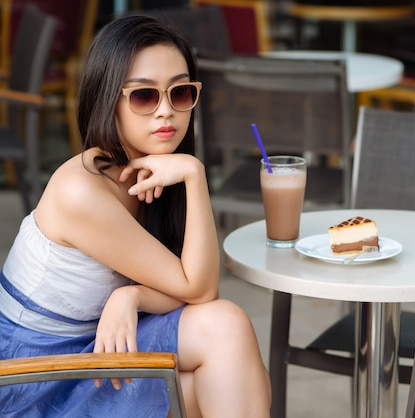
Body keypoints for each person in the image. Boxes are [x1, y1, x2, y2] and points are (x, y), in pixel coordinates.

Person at [0, 14, 271, 418]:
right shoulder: (81, 191)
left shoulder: (155, 171)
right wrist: (196, 175)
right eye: (144, 96)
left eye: (179, 93)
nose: (167, 112)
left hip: (94, 358)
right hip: (32, 382)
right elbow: (198, 289)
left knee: (226, 355)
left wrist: (133, 294)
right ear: (108, 98)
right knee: (224, 332)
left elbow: (192, 289)